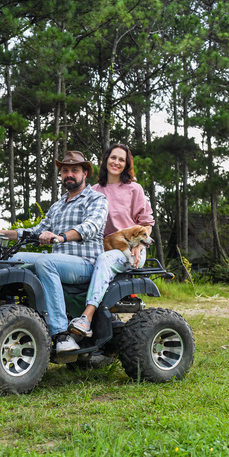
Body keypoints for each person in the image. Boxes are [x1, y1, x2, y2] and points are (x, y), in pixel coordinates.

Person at [0, 151, 108, 353]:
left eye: (74, 170)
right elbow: (35, 231)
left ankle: (61, 335)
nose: (69, 174)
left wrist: (61, 236)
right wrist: (1, 233)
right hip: (58, 261)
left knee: (45, 262)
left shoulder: (96, 199)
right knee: (10, 259)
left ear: (85, 173)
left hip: (85, 263)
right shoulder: (57, 206)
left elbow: (92, 226)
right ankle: (6, 317)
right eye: (65, 171)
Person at [68, 143, 154, 338]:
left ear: (126, 165)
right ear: (106, 160)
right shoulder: (94, 191)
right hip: (101, 248)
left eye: (121, 159)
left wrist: (140, 246)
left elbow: (147, 224)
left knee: (105, 261)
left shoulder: (134, 189)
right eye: (113, 157)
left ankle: (86, 318)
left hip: (130, 250)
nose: (116, 162)